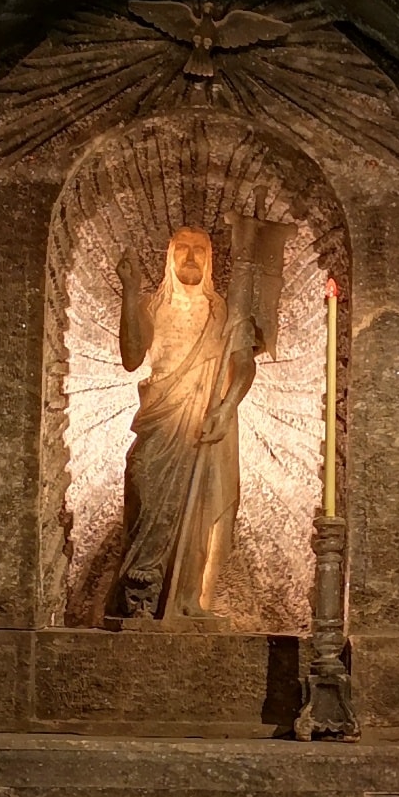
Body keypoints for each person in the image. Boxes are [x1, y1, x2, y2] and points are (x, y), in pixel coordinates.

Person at [111, 225, 257, 622]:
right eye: (182, 248)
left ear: (210, 260)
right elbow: (131, 357)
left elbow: (244, 365)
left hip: (203, 429)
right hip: (160, 423)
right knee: (148, 499)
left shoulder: (223, 313)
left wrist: (225, 409)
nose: (190, 257)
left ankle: (185, 597)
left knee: (198, 512)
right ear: (169, 255)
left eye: (199, 250)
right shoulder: (152, 307)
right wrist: (130, 291)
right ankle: (138, 598)